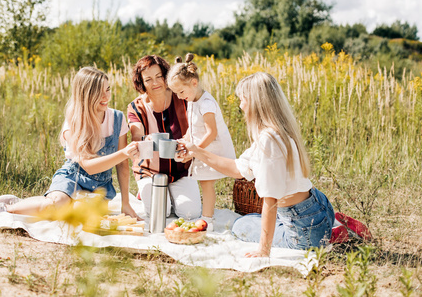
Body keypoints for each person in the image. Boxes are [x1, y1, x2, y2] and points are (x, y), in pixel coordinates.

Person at [179, 72, 335, 257]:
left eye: (241, 99)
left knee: (240, 226)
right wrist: (196, 151)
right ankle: (323, 229)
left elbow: (270, 199)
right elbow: (237, 169)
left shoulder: (268, 141)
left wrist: (263, 249)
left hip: (302, 227)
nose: (240, 105)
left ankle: (315, 238)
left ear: (254, 102)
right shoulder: (278, 131)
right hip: (318, 205)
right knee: (251, 219)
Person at [0, 67, 141, 219]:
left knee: (79, 215)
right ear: (86, 94)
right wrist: (123, 153)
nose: (106, 97)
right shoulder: (73, 123)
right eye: (99, 92)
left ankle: (25, 203)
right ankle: (7, 208)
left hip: (101, 186)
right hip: (73, 177)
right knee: (56, 205)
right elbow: (89, 166)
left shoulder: (118, 119)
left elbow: (122, 166)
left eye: (108, 89)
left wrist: (125, 203)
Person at [127, 55, 201, 220]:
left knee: (190, 213)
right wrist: (143, 141)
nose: (155, 83)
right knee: (161, 212)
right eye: (148, 79)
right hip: (149, 171)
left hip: (181, 168)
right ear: (141, 83)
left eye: (159, 76)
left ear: (166, 76)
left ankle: (171, 192)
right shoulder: (136, 107)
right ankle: (144, 190)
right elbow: (136, 135)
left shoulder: (181, 97)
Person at [166, 53, 235, 231]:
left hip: (212, 149)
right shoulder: (192, 100)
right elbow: (192, 129)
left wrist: (194, 151)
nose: (180, 97)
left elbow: (211, 133)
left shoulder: (206, 103)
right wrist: (184, 141)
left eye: (181, 92)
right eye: (176, 94)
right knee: (204, 182)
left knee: (207, 184)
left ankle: (207, 220)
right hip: (200, 148)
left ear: (194, 83)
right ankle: (207, 216)